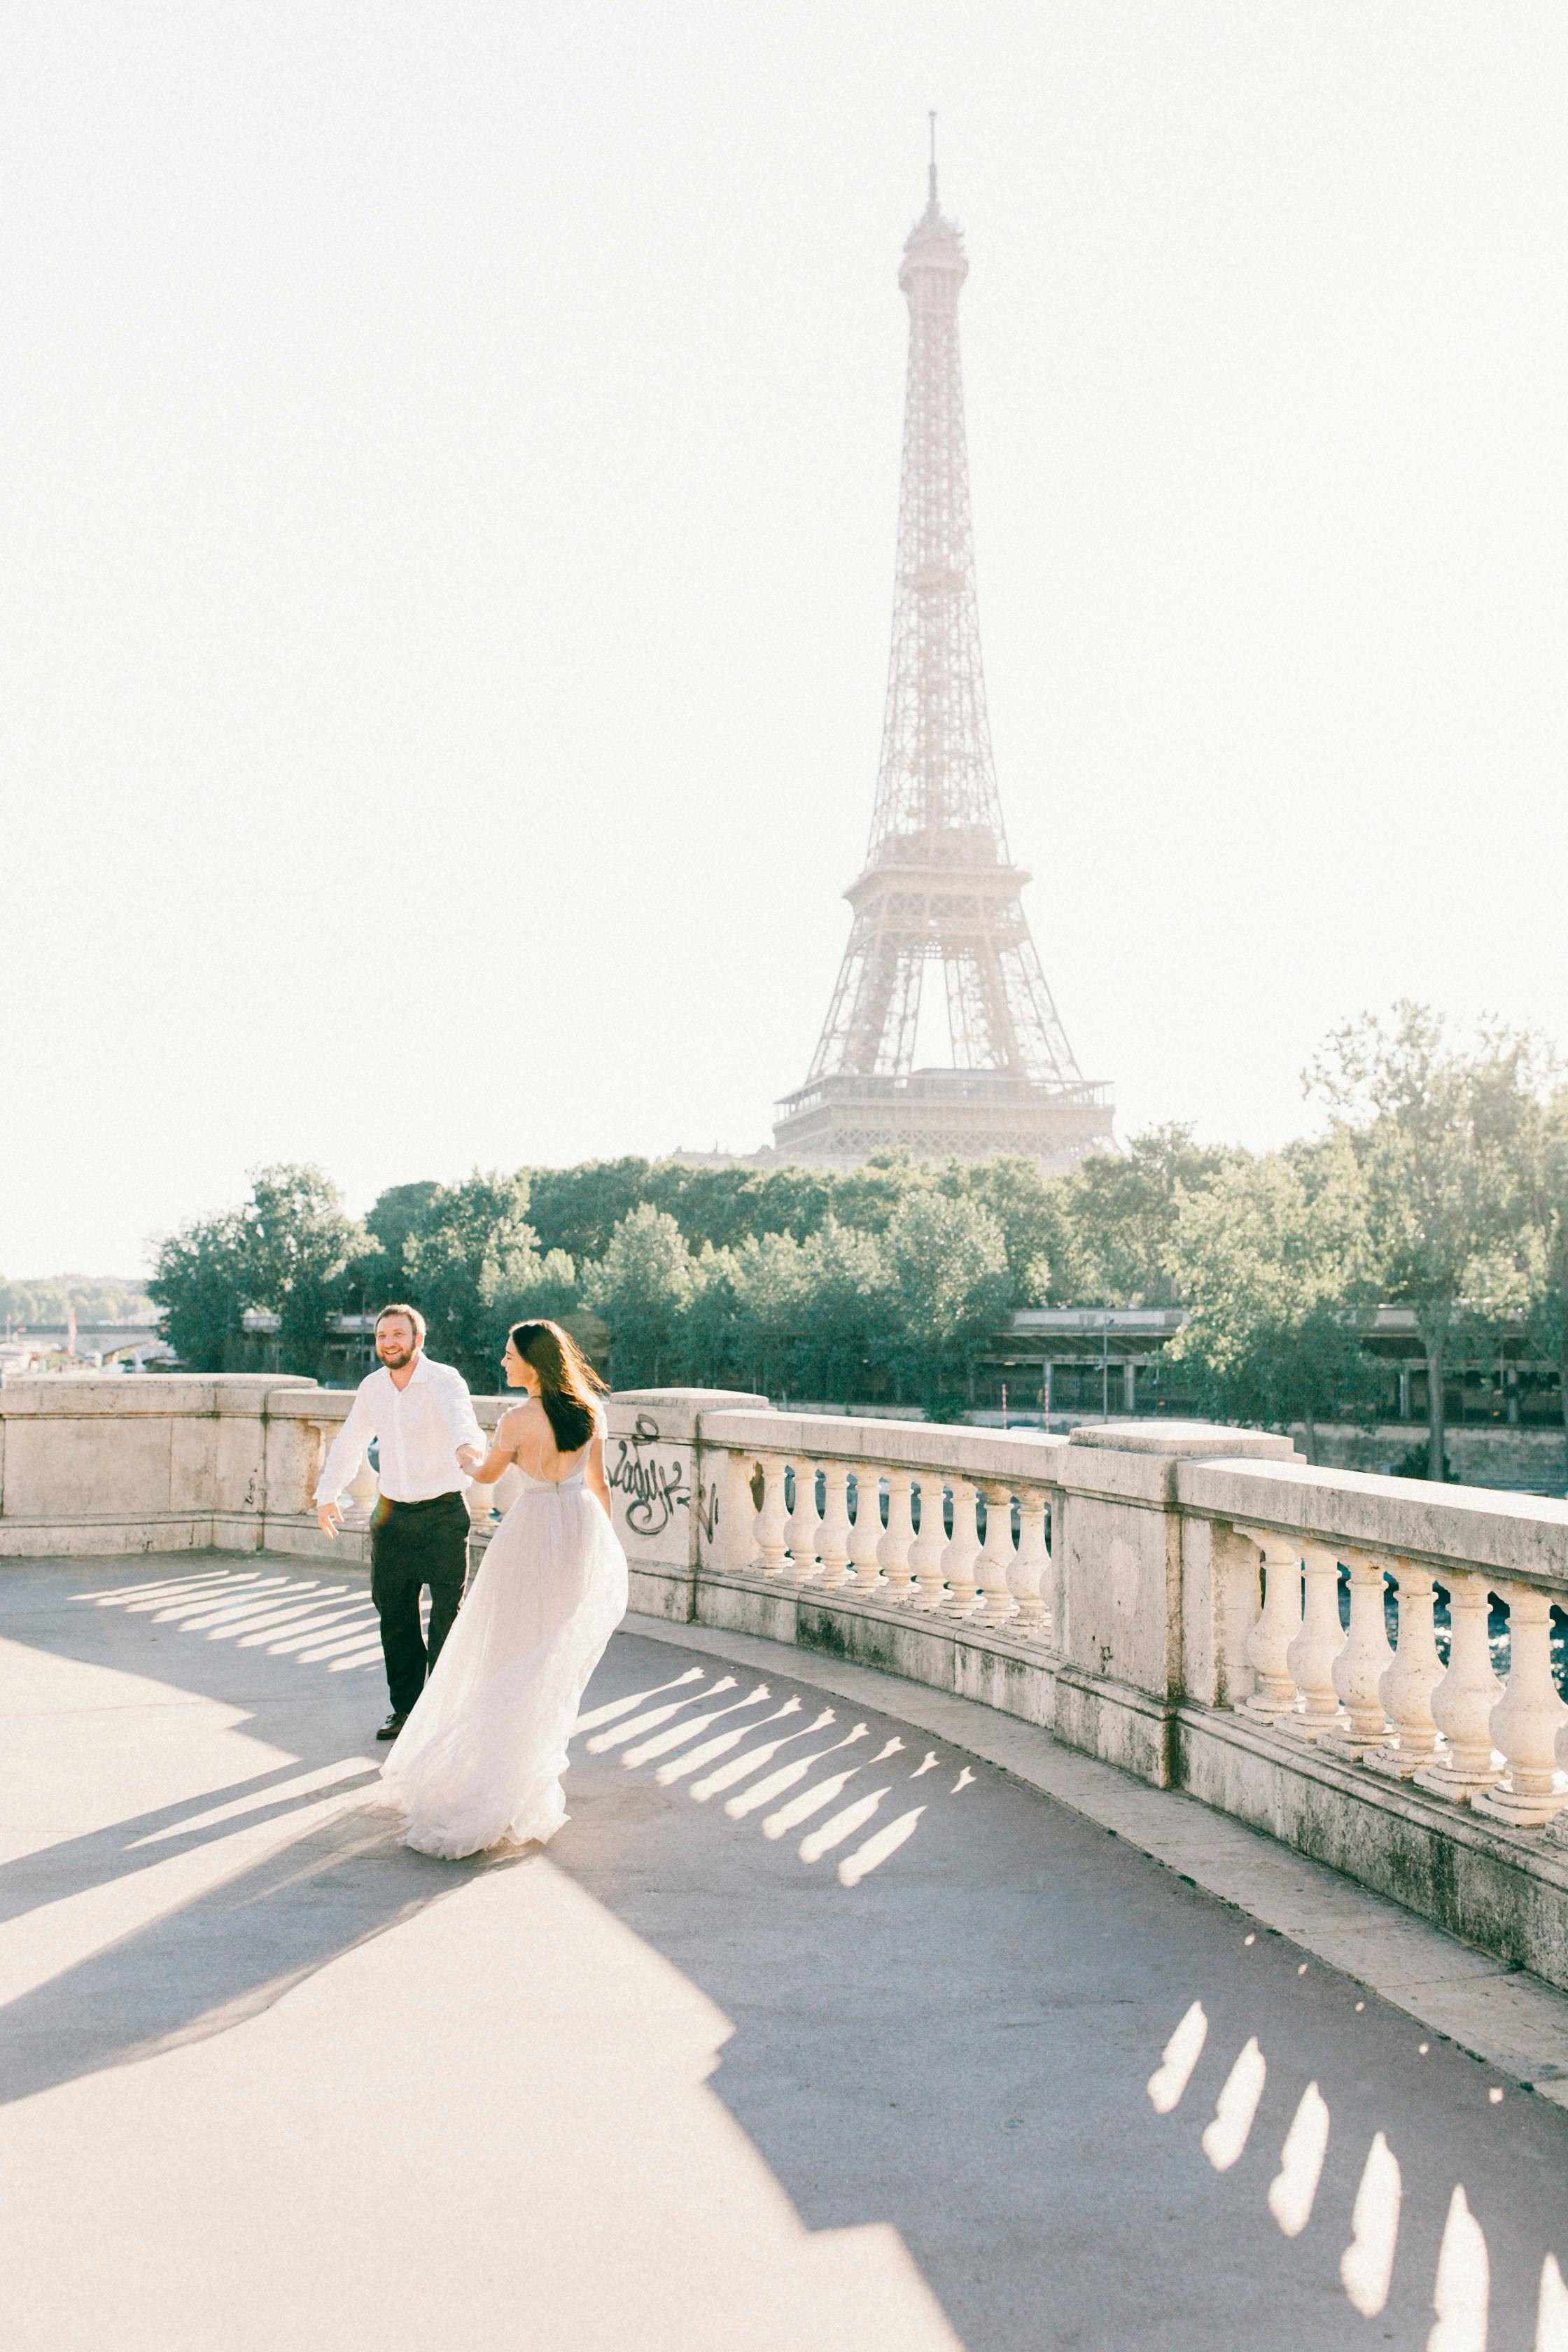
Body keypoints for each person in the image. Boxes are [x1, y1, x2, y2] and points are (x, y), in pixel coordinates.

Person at [379, 1318, 628, 1860]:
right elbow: (600, 1485)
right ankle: (529, 1770)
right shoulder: (590, 1411)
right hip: (578, 1528)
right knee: (548, 1653)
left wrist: (466, 1455)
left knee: (507, 1648)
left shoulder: (516, 1420)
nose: (503, 1362)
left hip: (532, 1530)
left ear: (534, 1362)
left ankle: (500, 1772)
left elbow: (487, 1477)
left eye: (510, 1355)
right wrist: (600, 1546)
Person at [315, 1303, 484, 1742]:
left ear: (417, 1340)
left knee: (447, 1615)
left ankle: (441, 1713)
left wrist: (467, 1447)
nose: (389, 1342)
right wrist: (327, 1494)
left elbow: (460, 1417)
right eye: (381, 1335)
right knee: (395, 1616)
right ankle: (406, 1711)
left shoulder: (445, 1380)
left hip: (444, 1515)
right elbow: (352, 1439)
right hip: (391, 1518)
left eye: (398, 1335)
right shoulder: (373, 1387)